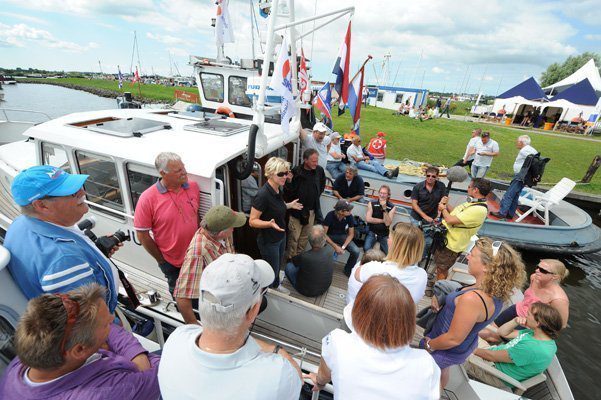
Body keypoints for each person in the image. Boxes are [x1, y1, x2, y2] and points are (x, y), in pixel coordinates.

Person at [158, 254, 302, 400]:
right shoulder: (279, 376)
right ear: (253, 311)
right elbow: (295, 381)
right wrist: (277, 350)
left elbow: (220, 336)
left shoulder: (176, 339)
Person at [0, 284, 160, 400]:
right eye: (106, 324)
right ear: (79, 350)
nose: (113, 321)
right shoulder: (105, 392)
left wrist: (136, 354)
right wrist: (139, 366)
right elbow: (165, 374)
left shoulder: (23, 363)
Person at [5, 166, 120, 312]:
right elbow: (90, 322)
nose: (82, 192)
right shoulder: (64, 259)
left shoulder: (21, 223)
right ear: (42, 205)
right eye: (72, 192)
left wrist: (94, 256)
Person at [307, 275, 440, 400]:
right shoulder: (427, 364)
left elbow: (323, 377)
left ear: (359, 311)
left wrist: (320, 384)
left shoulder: (337, 342)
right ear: (408, 319)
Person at [421, 238, 526, 388]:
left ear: (487, 267)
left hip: (442, 349)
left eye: (472, 254)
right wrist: (441, 297)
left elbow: (453, 339)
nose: (467, 257)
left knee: (425, 382)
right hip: (461, 347)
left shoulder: (473, 299)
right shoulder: (494, 292)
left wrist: (430, 345)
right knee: (441, 373)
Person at [134, 152, 200, 298]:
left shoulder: (193, 187)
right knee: (182, 298)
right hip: (173, 263)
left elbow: (197, 216)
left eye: (183, 167)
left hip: (197, 257)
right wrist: (162, 261)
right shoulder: (147, 198)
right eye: (178, 171)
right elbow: (142, 236)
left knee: (200, 295)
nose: (184, 172)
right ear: (163, 173)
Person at [174, 205, 246, 325]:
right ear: (221, 232)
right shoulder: (197, 253)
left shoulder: (223, 235)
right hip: (217, 302)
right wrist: (194, 328)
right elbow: (181, 297)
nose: (234, 229)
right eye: (232, 227)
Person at [469, 302, 562, 389]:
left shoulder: (532, 348)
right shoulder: (535, 334)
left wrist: (469, 350)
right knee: (465, 335)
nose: (525, 315)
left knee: (457, 353)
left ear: (538, 323)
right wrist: (515, 321)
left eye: (528, 314)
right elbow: (502, 333)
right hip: (492, 353)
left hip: (493, 372)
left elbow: (492, 357)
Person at [346, 222, 427, 315]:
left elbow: (357, 274)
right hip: (398, 324)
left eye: (390, 237)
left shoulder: (375, 269)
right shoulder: (422, 275)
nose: (388, 240)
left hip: (368, 321)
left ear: (395, 244)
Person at [480, 259, 569, 343]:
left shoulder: (559, 299)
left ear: (555, 276)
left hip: (528, 323)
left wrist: (537, 327)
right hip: (516, 309)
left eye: (543, 270)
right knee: (491, 327)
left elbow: (561, 324)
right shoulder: (534, 278)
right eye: (537, 267)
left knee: (494, 336)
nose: (537, 271)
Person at [250, 157, 302, 293]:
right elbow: (252, 220)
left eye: (286, 173)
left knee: (278, 265)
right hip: (269, 241)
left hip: (280, 236)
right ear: (270, 173)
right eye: (281, 174)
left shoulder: (278, 189)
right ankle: (272, 289)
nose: (285, 176)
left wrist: (289, 205)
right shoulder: (262, 195)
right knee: (271, 269)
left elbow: (277, 207)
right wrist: (269, 224)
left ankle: (276, 283)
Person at [433, 178, 491, 281]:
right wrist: (445, 205)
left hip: (452, 245)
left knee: (442, 269)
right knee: (439, 266)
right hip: (446, 240)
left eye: (469, 187)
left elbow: (450, 220)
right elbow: (455, 213)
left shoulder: (478, 209)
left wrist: (442, 208)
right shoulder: (473, 203)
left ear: (475, 190)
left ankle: (439, 290)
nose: (467, 189)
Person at [284, 148, 326, 260]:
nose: (316, 163)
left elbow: (322, 185)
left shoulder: (319, 171)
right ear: (305, 160)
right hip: (296, 211)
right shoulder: (296, 171)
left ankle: (299, 257)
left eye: (317, 161)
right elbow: (288, 192)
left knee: (304, 238)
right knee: (294, 237)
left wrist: (315, 196)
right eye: (313, 161)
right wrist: (289, 182)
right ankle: (291, 259)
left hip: (311, 211)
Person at [491, 135, 538, 220]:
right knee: (515, 195)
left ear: (521, 142)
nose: (516, 143)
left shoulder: (525, 150)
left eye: (518, 141)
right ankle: (510, 214)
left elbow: (533, 163)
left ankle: (502, 213)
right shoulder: (531, 149)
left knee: (509, 194)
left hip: (520, 176)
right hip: (524, 176)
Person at [284, 225, 334, 297]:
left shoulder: (305, 256)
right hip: (325, 287)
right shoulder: (330, 249)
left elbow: (293, 261)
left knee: (289, 267)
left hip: (307, 291)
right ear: (324, 238)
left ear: (309, 240)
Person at [323, 200, 361, 277]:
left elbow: (351, 234)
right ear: (341, 211)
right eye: (348, 210)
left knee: (356, 251)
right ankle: (323, 269)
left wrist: (343, 247)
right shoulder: (330, 215)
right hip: (329, 236)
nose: (350, 211)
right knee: (329, 251)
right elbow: (324, 234)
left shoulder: (349, 216)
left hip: (342, 236)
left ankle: (348, 270)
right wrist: (335, 246)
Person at [364, 185, 395, 254]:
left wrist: (384, 208)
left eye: (384, 193)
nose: (382, 195)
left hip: (384, 234)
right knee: (366, 249)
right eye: (380, 193)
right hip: (372, 231)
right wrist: (382, 220)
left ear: (388, 195)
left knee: (388, 253)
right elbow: (368, 219)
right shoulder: (372, 203)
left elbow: (387, 223)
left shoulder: (392, 207)